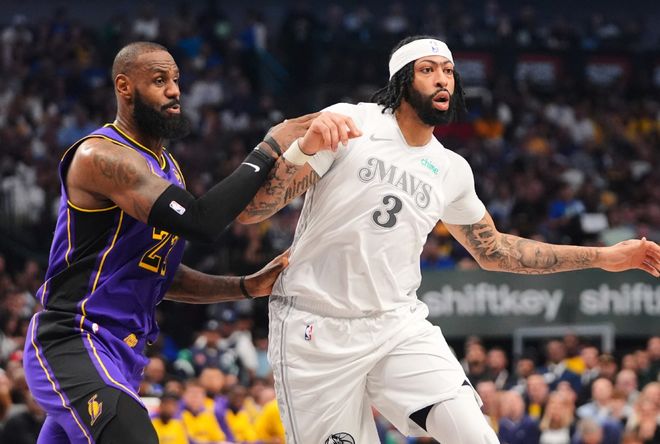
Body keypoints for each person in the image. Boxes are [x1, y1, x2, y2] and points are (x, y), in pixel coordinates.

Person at [237, 34, 660, 443]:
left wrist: (602, 257)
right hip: (315, 325)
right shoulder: (353, 122)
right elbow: (254, 211)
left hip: (395, 323)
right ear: (402, 80)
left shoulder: (450, 168)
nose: (442, 79)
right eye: (428, 70)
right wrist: (303, 149)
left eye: (448, 71)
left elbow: (494, 250)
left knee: (476, 435)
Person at [22, 41, 321, 444]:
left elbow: (161, 273)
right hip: (76, 338)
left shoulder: (166, 168)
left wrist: (245, 286)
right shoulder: (101, 156)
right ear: (125, 87)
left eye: (176, 80)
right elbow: (201, 222)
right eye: (159, 80)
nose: (175, 90)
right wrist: (269, 147)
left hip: (125, 353)